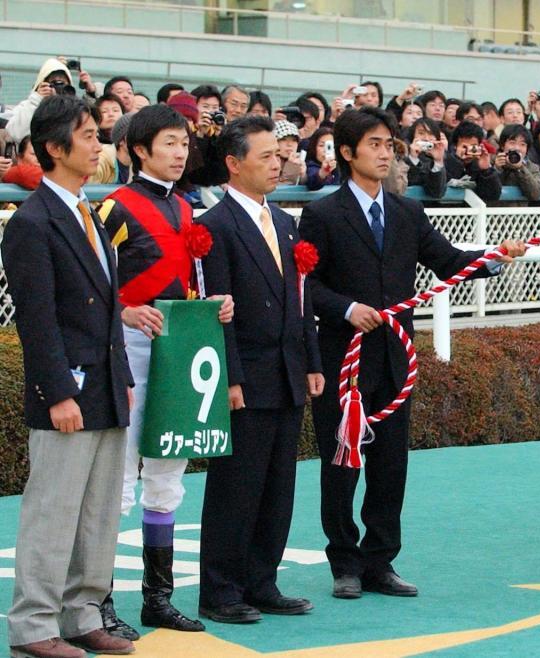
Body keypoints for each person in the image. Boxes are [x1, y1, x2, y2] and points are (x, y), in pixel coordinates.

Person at [298, 106, 525, 601]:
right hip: (344, 362)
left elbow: (447, 261)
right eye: (375, 144)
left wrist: (495, 257)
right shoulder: (321, 214)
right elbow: (304, 284)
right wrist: (347, 308)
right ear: (347, 152)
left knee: (391, 465)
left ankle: (381, 561)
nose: (385, 153)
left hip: (396, 359)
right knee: (341, 463)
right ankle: (345, 563)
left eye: (389, 144)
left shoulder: (406, 212)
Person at [2, 94, 136, 658]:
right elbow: (37, 321)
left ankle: (82, 613)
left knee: (100, 510)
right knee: (53, 510)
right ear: (55, 148)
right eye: (86, 135)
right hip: (67, 390)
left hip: (105, 384)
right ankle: (34, 624)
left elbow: (108, 308)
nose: (97, 145)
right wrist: (57, 391)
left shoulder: (88, 213)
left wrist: (123, 374)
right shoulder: (32, 223)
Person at [100, 104, 235, 636]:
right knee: (119, 481)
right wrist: (123, 311)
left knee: (166, 477)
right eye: (169, 143)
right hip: (129, 349)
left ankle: (159, 598)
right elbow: (88, 287)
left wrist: (213, 304)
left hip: (179, 348)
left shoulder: (186, 208)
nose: (181, 153)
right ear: (139, 150)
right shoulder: (113, 207)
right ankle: (98, 604)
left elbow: (189, 282)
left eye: (184, 143)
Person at [198, 115, 324, 624]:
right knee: (237, 485)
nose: (279, 163)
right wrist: (229, 378)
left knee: (278, 484)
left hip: (289, 370)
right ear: (233, 163)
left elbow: (302, 299)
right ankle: (220, 589)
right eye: (266, 156)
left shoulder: (287, 223)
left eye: (280, 154)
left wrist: (312, 362)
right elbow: (216, 308)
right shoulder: (215, 227)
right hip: (246, 375)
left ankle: (262, 580)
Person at [446, 121, 501, 202]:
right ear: (455, 146)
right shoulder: (445, 161)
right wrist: (458, 161)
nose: (468, 150)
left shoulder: (478, 165)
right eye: (464, 147)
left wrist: (486, 170)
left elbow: (493, 195)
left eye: (473, 147)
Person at [494, 124, 540, 201]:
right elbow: (487, 191)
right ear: (502, 145)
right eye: (512, 143)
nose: (517, 148)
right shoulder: (491, 161)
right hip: (493, 212)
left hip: (520, 212)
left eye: (522, 144)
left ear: (527, 149)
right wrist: (496, 169)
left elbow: (536, 194)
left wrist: (520, 168)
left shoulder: (532, 167)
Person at [403, 117, 447, 198]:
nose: (426, 138)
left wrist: (438, 161)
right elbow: (409, 183)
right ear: (413, 136)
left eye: (431, 134)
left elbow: (437, 192)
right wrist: (413, 158)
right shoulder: (403, 156)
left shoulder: (442, 158)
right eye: (421, 133)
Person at [304, 126, 340, 191]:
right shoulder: (310, 166)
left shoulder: (342, 168)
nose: (325, 150)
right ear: (314, 147)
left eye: (330, 146)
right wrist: (322, 173)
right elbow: (312, 183)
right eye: (321, 145)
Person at [273, 119, 306, 185]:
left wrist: (303, 175)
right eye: (283, 139)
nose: (289, 144)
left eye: (294, 140)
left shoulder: (300, 161)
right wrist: (290, 169)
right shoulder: (266, 164)